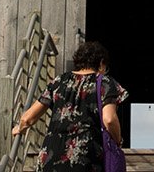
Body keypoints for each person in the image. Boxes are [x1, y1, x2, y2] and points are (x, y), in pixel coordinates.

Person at [13, 40, 128, 172]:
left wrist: (19, 128)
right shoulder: (105, 83)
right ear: (101, 63)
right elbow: (109, 119)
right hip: (84, 158)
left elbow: (27, 119)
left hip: (51, 155)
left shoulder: (59, 81)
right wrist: (118, 141)